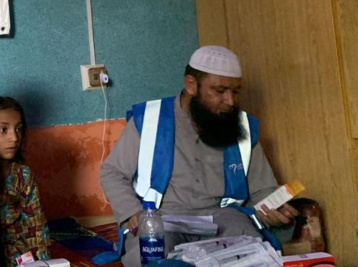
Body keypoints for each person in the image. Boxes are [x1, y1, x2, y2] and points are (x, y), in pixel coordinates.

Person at [100, 45, 297, 266]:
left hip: (224, 218)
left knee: (254, 253)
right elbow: (112, 172)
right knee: (150, 255)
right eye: (220, 91)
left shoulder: (242, 126)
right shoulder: (150, 120)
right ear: (191, 85)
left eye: (235, 92)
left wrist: (273, 208)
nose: (230, 101)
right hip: (162, 218)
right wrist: (133, 213)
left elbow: (262, 188)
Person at [0, 95, 51, 267]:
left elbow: (35, 226)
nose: (14, 138)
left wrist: (43, 263)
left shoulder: (21, 175)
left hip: (15, 256)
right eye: (3, 129)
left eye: (19, 129)